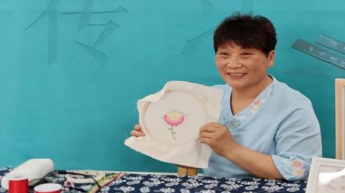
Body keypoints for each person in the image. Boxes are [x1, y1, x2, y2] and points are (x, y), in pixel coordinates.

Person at [131, 13, 322, 180]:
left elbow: (300, 169)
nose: (233, 64)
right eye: (224, 54)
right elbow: (190, 153)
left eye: (245, 54)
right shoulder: (208, 98)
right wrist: (159, 138)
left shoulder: (294, 106)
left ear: (270, 57)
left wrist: (230, 148)